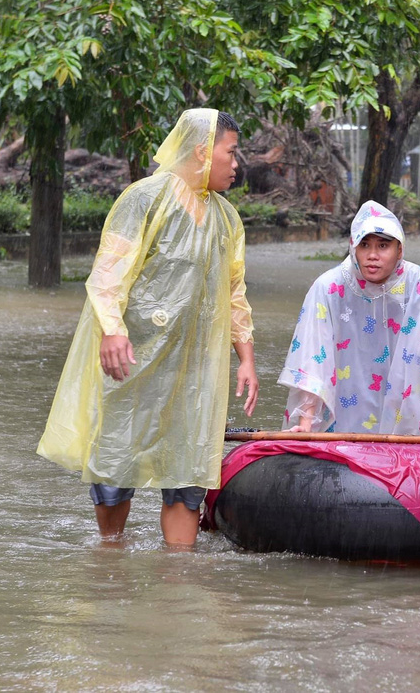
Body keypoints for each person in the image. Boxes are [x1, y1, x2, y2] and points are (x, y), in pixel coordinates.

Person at [37, 108, 258, 547]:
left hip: (196, 370)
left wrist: (246, 359)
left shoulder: (227, 219)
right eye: (230, 153)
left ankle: (177, 583)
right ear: (201, 151)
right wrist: (113, 330)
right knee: (117, 463)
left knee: (187, 475)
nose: (236, 165)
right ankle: (110, 559)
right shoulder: (144, 199)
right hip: (135, 359)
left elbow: (234, 293)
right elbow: (108, 274)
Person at [279, 200, 420, 436]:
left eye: (383, 245)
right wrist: (307, 421)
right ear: (352, 247)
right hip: (346, 406)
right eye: (364, 244)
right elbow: (312, 355)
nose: (372, 255)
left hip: (409, 412)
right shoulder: (329, 287)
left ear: (399, 249)